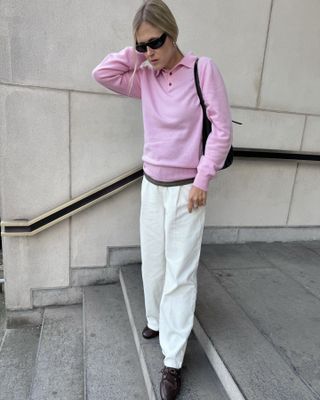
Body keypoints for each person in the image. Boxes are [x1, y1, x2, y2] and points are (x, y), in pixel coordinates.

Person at [92, 1, 232, 398]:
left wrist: (203, 178)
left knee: (180, 273)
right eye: (142, 45)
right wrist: (134, 52)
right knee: (153, 264)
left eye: (156, 41)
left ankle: (173, 359)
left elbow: (221, 130)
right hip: (151, 185)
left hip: (189, 189)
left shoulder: (203, 70)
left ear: (174, 34)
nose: (150, 51)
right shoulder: (145, 76)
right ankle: (155, 319)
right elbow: (101, 73)